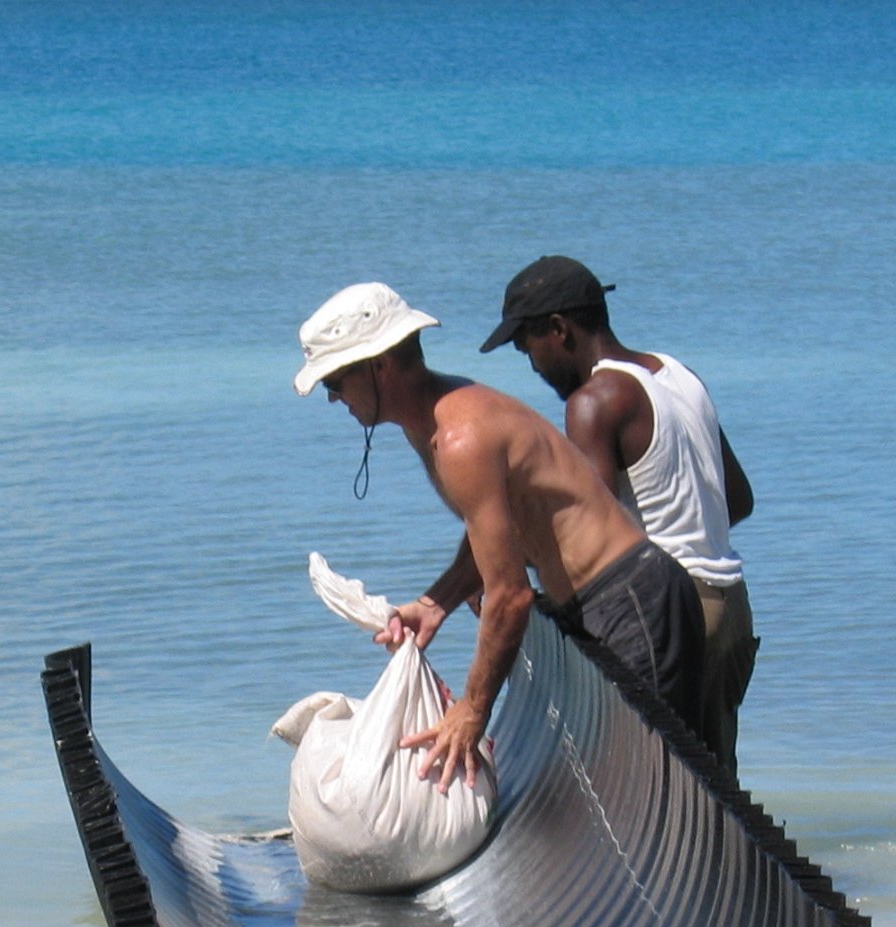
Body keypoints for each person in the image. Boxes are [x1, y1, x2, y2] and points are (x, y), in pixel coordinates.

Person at [293, 281, 704, 792]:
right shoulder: (432, 420)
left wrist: (472, 711)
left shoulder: (461, 438)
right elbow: (499, 530)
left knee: (653, 792)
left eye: (335, 379)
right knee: (619, 789)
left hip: (630, 602)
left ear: (380, 365)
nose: (333, 397)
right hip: (598, 604)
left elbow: (509, 596)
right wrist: (437, 601)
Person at [480, 255, 758, 777]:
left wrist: (504, 587)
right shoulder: (677, 375)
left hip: (673, 614)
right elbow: (737, 498)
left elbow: (581, 533)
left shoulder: (594, 402)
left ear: (559, 331)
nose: (532, 367)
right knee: (715, 788)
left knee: (652, 784)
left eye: (528, 348)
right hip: (731, 604)